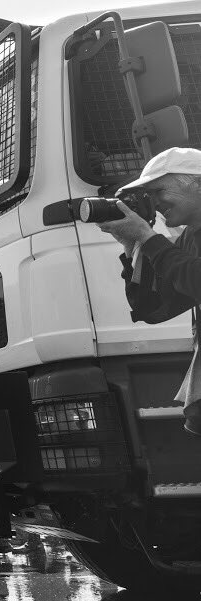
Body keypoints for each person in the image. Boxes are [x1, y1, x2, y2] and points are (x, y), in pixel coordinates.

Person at [97, 146, 201, 436]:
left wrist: (148, 237)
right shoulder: (191, 237)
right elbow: (154, 308)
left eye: (158, 191)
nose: (153, 204)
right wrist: (132, 247)